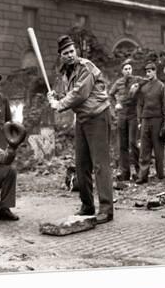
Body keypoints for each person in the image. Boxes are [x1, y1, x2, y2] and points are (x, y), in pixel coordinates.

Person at [47, 35, 114, 224]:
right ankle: (87, 206)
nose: (69, 55)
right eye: (65, 53)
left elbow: (79, 94)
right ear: (61, 55)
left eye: (71, 51)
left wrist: (59, 104)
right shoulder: (66, 71)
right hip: (83, 119)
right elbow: (69, 92)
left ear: (76, 51)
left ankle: (107, 209)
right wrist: (56, 95)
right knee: (81, 164)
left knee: (100, 164)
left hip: (98, 116)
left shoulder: (86, 67)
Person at [135, 62, 165, 184]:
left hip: (157, 119)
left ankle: (160, 174)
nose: (148, 73)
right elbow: (140, 104)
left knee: (158, 148)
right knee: (144, 149)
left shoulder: (161, 86)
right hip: (145, 120)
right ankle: (143, 176)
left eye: (150, 71)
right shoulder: (143, 87)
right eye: (146, 71)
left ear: (155, 71)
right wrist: (140, 120)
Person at [109, 59, 143, 181]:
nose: (128, 71)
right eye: (126, 69)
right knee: (122, 145)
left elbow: (147, 82)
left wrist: (138, 86)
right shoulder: (118, 82)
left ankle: (140, 172)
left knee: (133, 143)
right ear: (122, 71)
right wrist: (115, 105)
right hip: (122, 115)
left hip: (133, 114)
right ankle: (125, 173)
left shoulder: (137, 79)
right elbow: (110, 95)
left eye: (130, 68)